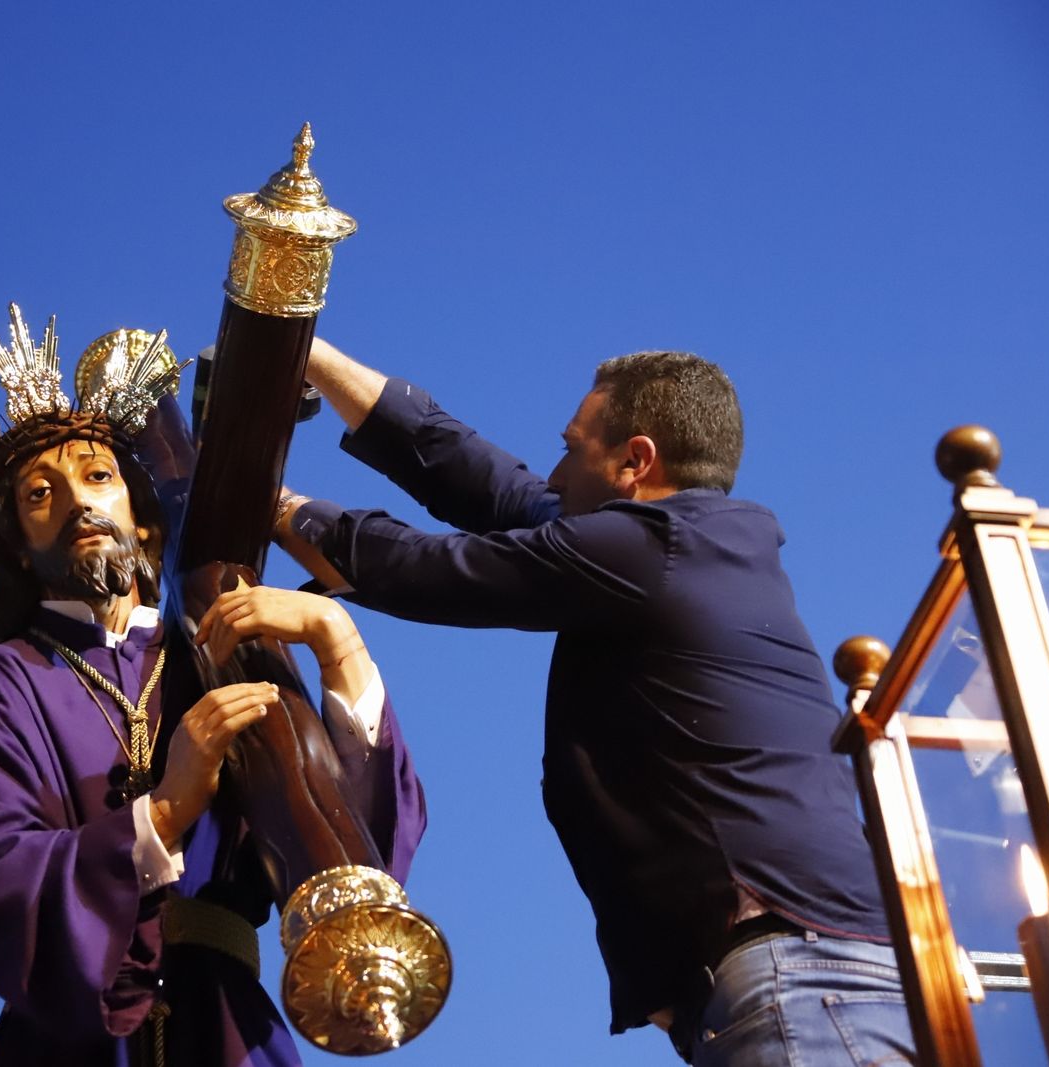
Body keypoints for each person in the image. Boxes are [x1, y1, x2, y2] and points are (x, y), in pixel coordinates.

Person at [274, 338, 915, 1067]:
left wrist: (274, 508)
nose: (552, 470)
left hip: (799, 979)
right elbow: (490, 483)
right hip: (817, 979)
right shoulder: (690, 544)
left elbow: (434, 569)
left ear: (635, 462)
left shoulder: (651, 550)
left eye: (571, 448)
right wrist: (306, 351)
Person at [0, 309, 423, 1067]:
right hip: (76, 1040)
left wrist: (340, 647)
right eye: (40, 494)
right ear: (20, 553)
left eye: (98, 476)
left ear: (143, 517)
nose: (76, 502)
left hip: (234, 1030)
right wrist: (161, 813)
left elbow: (361, 861)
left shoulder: (218, 641)